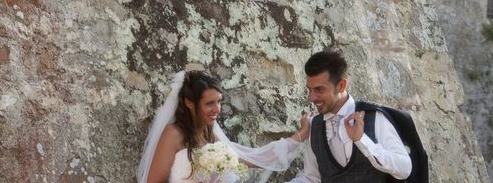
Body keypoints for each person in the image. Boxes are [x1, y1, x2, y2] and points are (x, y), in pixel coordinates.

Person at [137, 70, 309, 183]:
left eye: (219, 101)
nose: (217, 109)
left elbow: (254, 158)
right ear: (189, 103)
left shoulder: (209, 134)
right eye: (209, 103)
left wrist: (301, 134)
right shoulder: (173, 134)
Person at [286, 50, 412, 182]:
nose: (311, 98)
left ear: (341, 85)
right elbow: (311, 178)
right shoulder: (314, 126)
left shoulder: (374, 117)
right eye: (309, 90)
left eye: (319, 89)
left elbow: (404, 169)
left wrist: (362, 140)